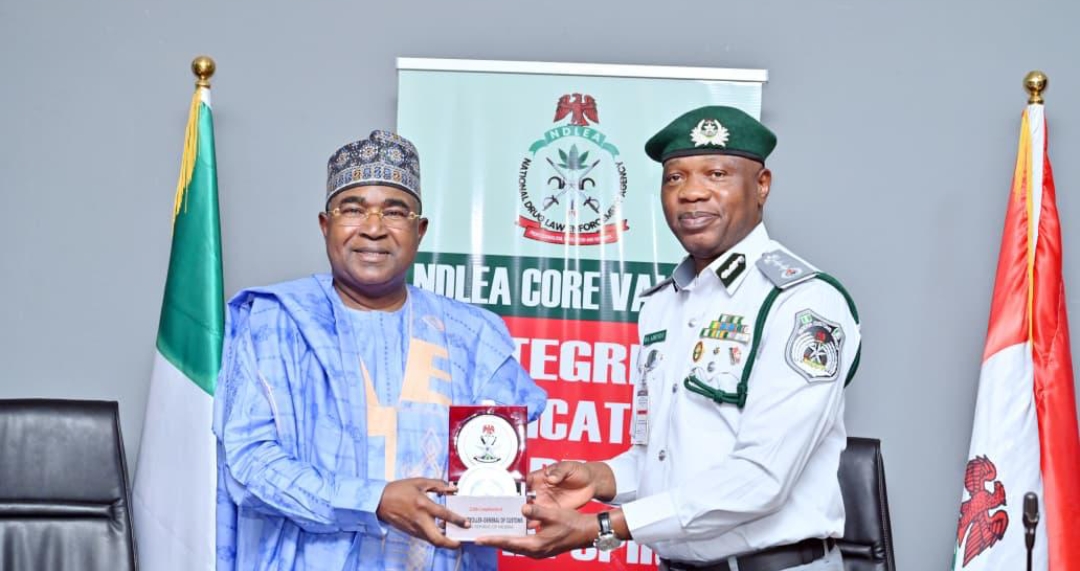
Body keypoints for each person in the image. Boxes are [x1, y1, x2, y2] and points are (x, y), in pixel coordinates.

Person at [478, 106, 861, 571]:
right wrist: (596, 478)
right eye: (675, 178)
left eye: (716, 174)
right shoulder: (663, 304)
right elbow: (659, 461)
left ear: (761, 185)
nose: (691, 192)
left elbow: (762, 479)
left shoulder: (802, 303)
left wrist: (603, 527)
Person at [213, 130, 547, 571]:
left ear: (419, 230)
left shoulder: (474, 337)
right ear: (325, 225)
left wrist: (514, 500)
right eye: (353, 210)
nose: (373, 229)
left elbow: (492, 472)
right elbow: (249, 464)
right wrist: (373, 500)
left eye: (395, 212)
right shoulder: (274, 323)